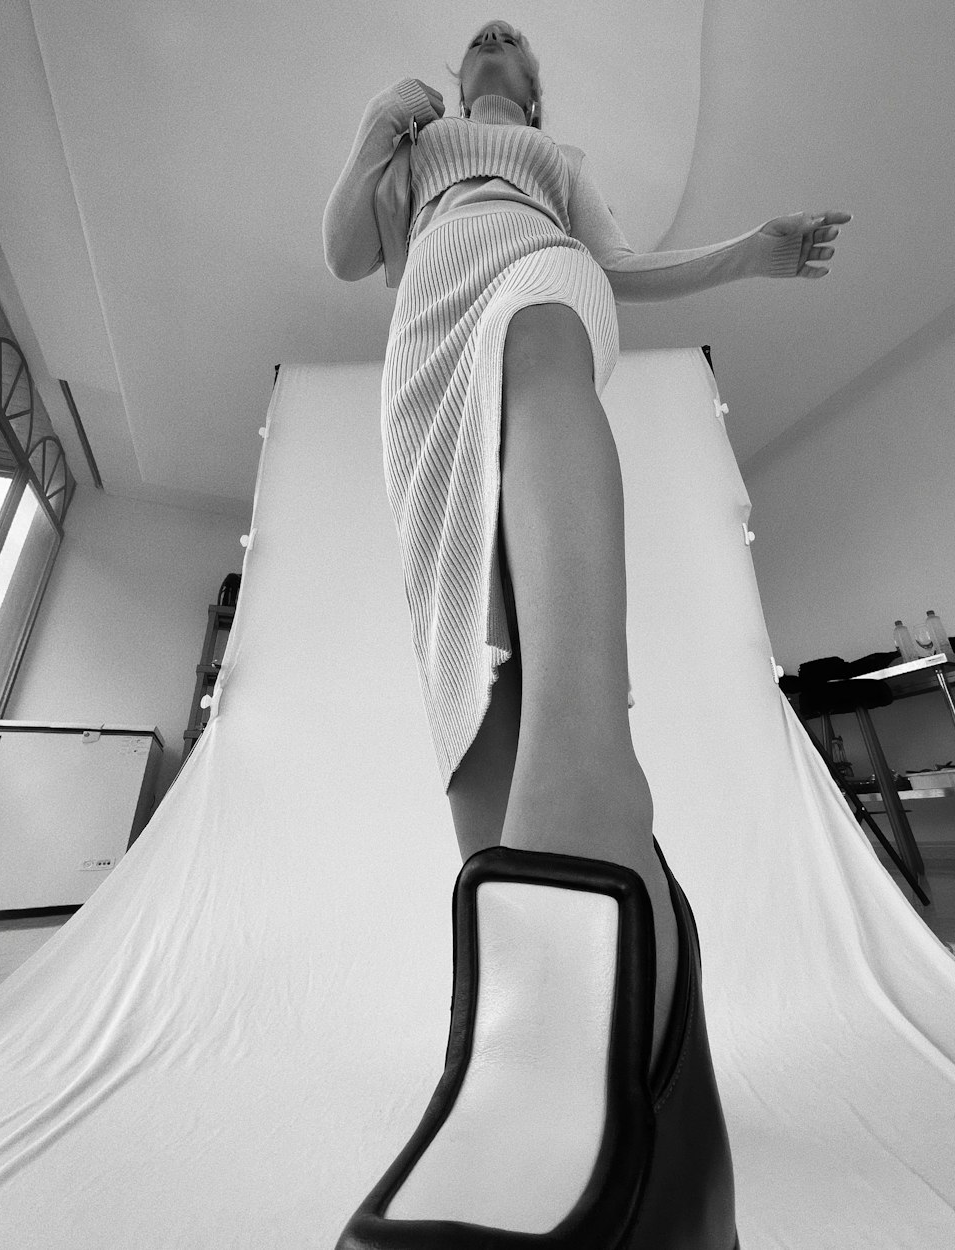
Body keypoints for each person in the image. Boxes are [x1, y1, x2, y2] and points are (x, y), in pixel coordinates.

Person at [324, 19, 850, 1249]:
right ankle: (596, 985)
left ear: (530, 83)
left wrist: (751, 254)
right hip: (425, 347)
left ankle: (589, 789)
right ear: (459, 77)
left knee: (544, 325)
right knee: (469, 698)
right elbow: (351, 251)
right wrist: (374, 133)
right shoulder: (415, 142)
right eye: (480, 39)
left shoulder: (549, 159)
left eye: (515, 42)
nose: (497, 35)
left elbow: (617, 261)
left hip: (531, 279)